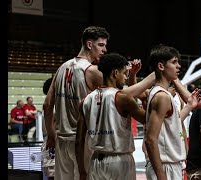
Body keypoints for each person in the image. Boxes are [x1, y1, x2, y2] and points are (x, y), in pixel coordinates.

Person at [43, 26, 110, 180]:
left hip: (61, 139)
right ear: (89, 44)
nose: (104, 49)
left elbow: (47, 105)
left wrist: (51, 135)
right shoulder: (92, 71)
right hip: (83, 139)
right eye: (101, 45)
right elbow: (121, 96)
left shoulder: (61, 67)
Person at [75, 53, 155, 180]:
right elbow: (149, 120)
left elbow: (79, 141)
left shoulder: (85, 100)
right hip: (119, 161)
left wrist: (81, 171)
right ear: (115, 73)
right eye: (124, 73)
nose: (125, 78)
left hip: (95, 161)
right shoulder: (122, 98)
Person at [144, 45, 201, 180]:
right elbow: (150, 139)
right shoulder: (162, 96)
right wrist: (161, 175)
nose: (179, 66)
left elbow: (173, 122)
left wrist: (189, 106)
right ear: (161, 66)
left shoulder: (162, 93)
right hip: (165, 167)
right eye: (174, 62)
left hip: (170, 165)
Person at [41, 77, 55, 180]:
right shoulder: (51, 105)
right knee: (53, 176)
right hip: (52, 143)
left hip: (53, 142)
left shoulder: (54, 104)